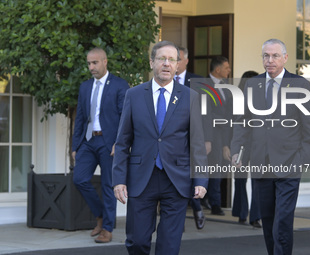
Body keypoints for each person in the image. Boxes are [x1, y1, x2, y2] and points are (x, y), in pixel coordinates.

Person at [112, 40, 208, 255]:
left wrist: (201, 179)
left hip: (176, 178)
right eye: (161, 59)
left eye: (172, 60)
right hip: (141, 178)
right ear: (152, 62)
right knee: (136, 241)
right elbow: (122, 141)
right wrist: (118, 179)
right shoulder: (134, 95)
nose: (166, 64)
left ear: (177, 65)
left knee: (169, 245)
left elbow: (197, 142)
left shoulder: (190, 97)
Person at [231, 39, 310, 255]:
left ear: (285, 58)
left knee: (283, 222)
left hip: (289, 165)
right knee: (268, 221)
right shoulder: (252, 85)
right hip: (261, 165)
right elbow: (244, 122)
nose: (270, 60)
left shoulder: (300, 85)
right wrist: (236, 150)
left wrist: (301, 161)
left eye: (275, 56)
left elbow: (309, 130)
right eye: (266, 56)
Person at [72, 47, 129, 243]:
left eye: (95, 63)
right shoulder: (85, 87)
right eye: (89, 63)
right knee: (79, 179)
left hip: (109, 142)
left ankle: (107, 229)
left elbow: (125, 118)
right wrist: (75, 146)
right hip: (88, 141)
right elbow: (79, 118)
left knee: (108, 186)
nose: (91, 67)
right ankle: (101, 215)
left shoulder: (120, 85)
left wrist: (119, 144)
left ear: (105, 62)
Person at [175, 46, 206, 230]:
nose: (174, 63)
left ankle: (196, 208)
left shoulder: (199, 81)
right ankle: (183, 216)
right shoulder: (164, 81)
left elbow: (208, 113)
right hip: (173, 140)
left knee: (190, 176)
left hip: (193, 138)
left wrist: (207, 140)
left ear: (186, 60)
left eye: (177, 59)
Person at [201, 56, 233, 216]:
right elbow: (205, 112)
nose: (229, 70)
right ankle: (214, 203)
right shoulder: (204, 85)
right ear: (217, 69)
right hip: (211, 134)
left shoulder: (227, 86)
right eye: (226, 67)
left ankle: (208, 198)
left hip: (225, 133)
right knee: (215, 166)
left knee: (222, 167)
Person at [231, 70, 262, 228]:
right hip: (242, 144)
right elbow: (234, 126)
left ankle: (253, 215)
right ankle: (243, 213)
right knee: (240, 179)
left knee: (256, 180)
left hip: (257, 144)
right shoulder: (237, 100)